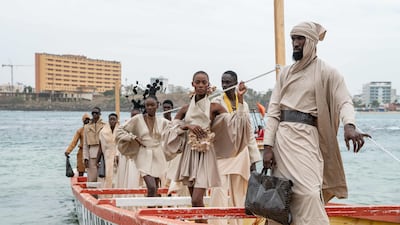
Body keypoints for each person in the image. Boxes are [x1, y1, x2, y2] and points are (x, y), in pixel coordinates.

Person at [262, 21, 371, 225]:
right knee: (281, 194)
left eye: (300, 38)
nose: (295, 43)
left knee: (310, 192)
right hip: (282, 141)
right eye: (293, 38)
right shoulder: (285, 73)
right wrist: (267, 147)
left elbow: (344, 101)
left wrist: (349, 125)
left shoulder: (327, 72)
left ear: (311, 42)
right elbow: (273, 111)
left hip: (308, 140)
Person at [162, 71, 252, 223]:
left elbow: (233, 123)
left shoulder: (214, 107)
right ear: (193, 84)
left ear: (208, 85)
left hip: (206, 155)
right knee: (195, 202)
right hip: (189, 155)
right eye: (198, 82)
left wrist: (240, 98)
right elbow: (171, 127)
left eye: (204, 82)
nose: (201, 85)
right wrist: (187, 126)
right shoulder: (185, 109)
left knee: (197, 199)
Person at [209, 70, 262, 225]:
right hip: (222, 153)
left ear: (235, 83)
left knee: (238, 193)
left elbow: (248, 133)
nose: (224, 85)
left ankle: (236, 223)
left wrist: (254, 160)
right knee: (218, 189)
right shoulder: (216, 102)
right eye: (222, 82)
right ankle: (217, 223)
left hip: (240, 154)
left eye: (228, 82)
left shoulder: (243, 104)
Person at [116, 95, 170, 198]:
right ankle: (150, 210)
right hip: (143, 155)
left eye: (152, 105)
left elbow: (174, 128)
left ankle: (152, 210)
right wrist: (133, 137)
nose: (149, 107)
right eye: (147, 105)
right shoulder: (137, 119)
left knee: (156, 188)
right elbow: (120, 130)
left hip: (157, 156)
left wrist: (188, 126)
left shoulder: (162, 121)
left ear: (157, 106)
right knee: (151, 187)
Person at [83, 107, 106, 182]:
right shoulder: (87, 127)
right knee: (92, 177)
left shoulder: (105, 125)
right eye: (93, 113)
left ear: (100, 114)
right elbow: (85, 144)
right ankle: (92, 192)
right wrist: (85, 157)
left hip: (103, 152)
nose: (94, 114)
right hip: (92, 152)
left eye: (96, 113)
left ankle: (103, 191)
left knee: (103, 175)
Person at [96, 113, 119, 188]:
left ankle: (118, 193)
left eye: (114, 119)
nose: (112, 121)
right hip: (107, 157)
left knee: (118, 176)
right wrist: (97, 160)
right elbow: (100, 147)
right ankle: (108, 193)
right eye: (110, 119)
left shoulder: (120, 131)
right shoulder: (103, 132)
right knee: (108, 175)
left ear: (117, 120)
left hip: (119, 157)